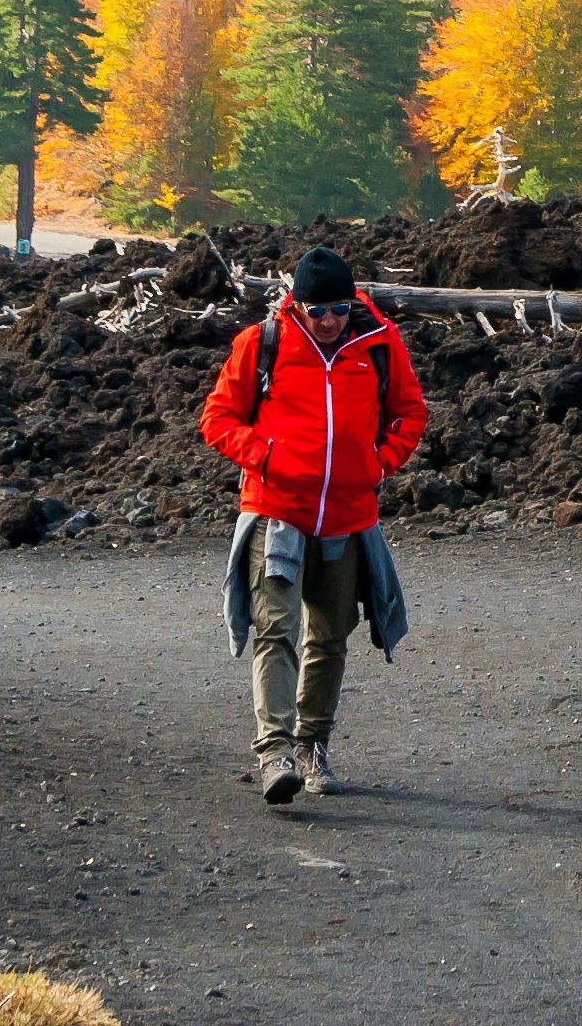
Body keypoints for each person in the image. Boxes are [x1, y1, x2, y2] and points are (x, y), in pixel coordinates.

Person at [201, 244, 425, 802]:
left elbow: (411, 411)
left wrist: (378, 463)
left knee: (330, 635)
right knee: (276, 630)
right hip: (277, 512)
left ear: (352, 303)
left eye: (338, 309)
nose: (328, 321)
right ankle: (275, 752)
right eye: (316, 310)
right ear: (296, 305)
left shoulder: (378, 344)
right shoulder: (262, 344)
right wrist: (267, 457)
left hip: (347, 519)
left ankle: (311, 745)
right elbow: (217, 417)